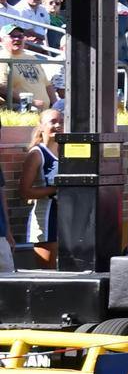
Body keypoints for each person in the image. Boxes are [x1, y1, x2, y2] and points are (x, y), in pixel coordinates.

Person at [18, 108, 61, 260]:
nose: (58, 126)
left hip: (69, 216)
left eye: (61, 122)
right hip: (46, 217)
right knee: (50, 270)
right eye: (53, 122)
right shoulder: (37, 154)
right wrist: (56, 189)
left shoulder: (68, 150)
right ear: (41, 126)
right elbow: (25, 192)